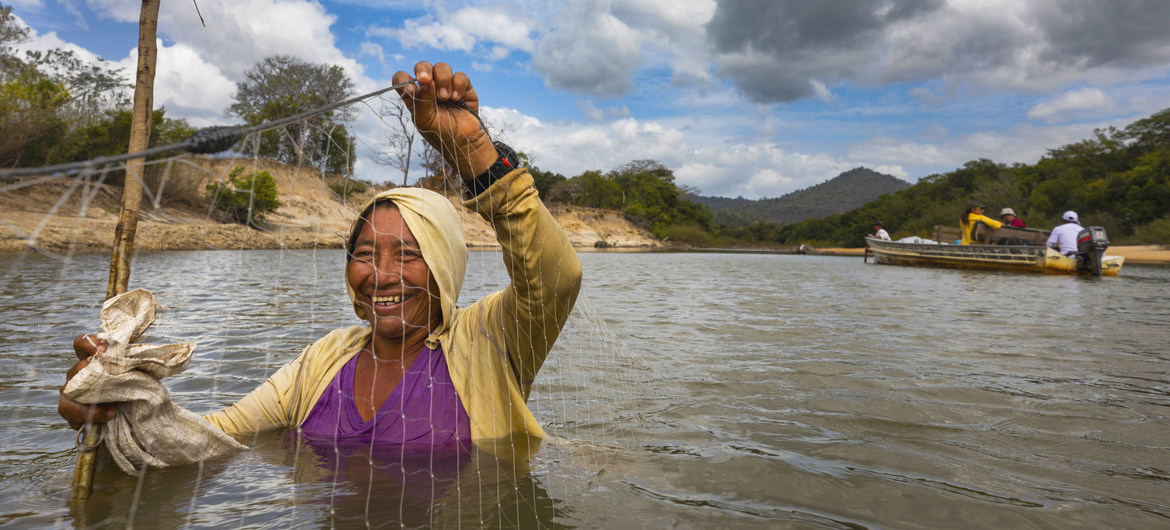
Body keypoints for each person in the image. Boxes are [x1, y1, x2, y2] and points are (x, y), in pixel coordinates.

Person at [59, 61, 583, 455]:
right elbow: (215, 436)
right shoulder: (323, 361)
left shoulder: (490, 340)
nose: (380, 273)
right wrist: (120, 409)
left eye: (409, 254)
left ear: (445, 264)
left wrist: (472, 153)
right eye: (363, 253)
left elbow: (557, 278)